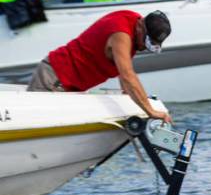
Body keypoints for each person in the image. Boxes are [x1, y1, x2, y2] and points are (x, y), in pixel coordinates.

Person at [27, 9, 173, 124]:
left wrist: (129, 95)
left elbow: (123, 70)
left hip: (69, 86)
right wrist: (150, 111)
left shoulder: (132, 22)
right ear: (141, 25)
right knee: (32, 128)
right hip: (54, 78)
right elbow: (128, 75)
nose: (143, 48)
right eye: (146, 43)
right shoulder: (121, 34)